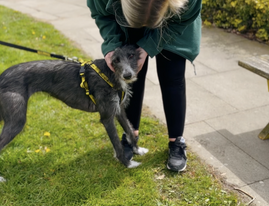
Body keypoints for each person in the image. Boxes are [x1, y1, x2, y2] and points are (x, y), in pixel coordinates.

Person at [87, 0, 202, 171]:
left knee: (173, 76)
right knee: (133, 75)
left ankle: (176, 141)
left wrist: (148, 47)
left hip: (174, 19)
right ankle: (130, 135)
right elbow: (103, 14)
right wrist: (112, 45)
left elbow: (182, 20)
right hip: (128, 16)